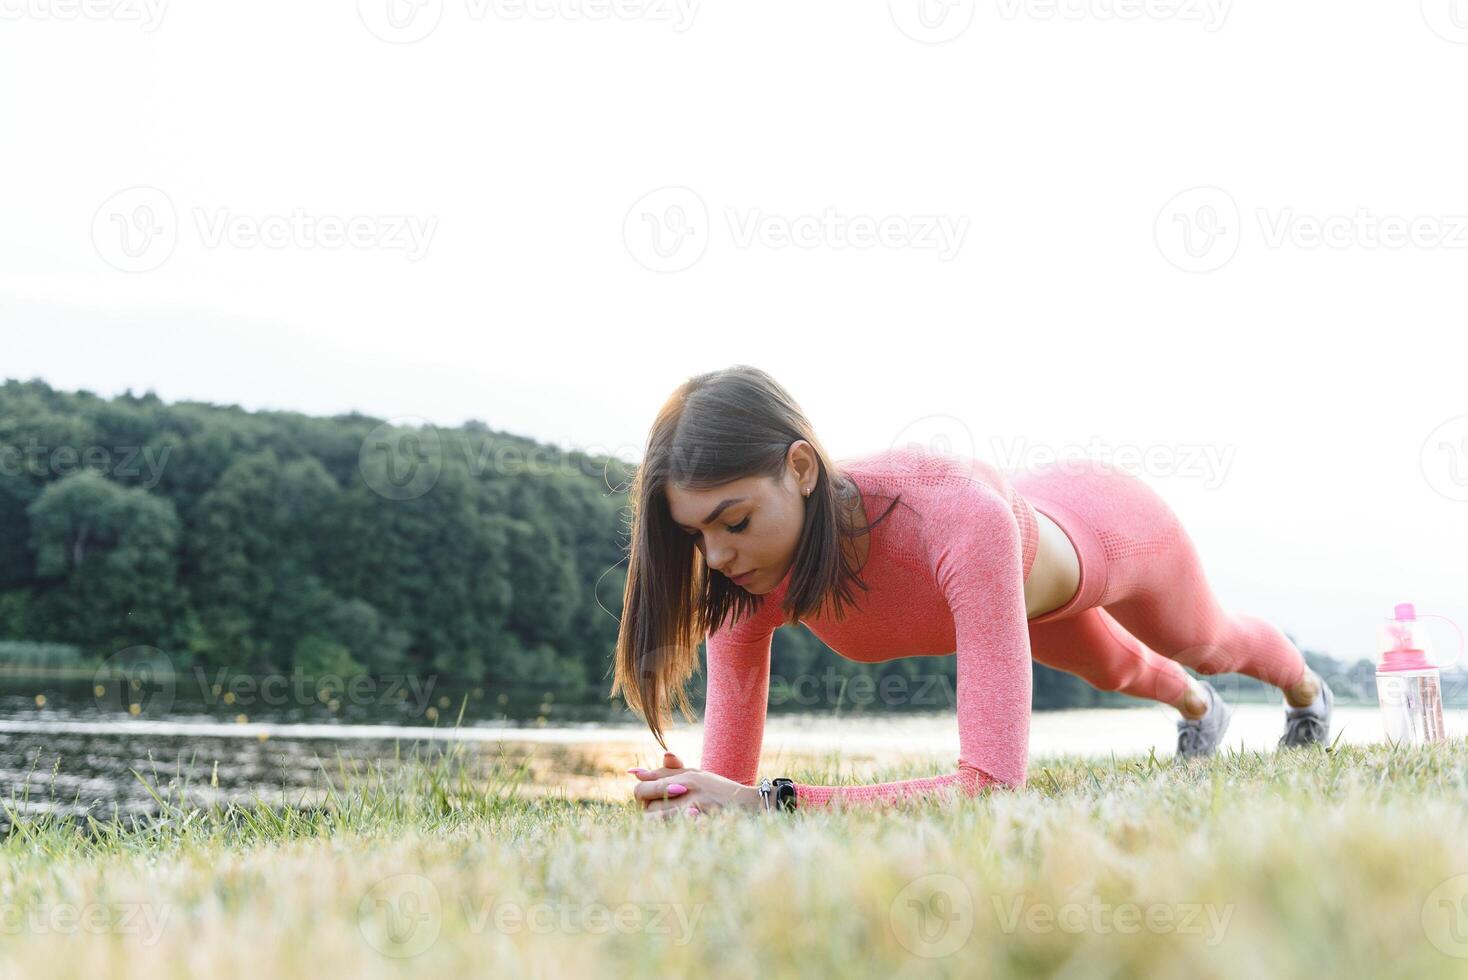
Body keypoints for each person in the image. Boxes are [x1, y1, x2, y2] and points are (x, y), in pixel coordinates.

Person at [611, 365, 1333, 820]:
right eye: (696, 535)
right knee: (1113, 669)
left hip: (1105, 524)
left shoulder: (953, 519)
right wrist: (695, 796)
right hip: (1010, 596)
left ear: (801, 468)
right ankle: (1200, 710)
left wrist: (772, 801)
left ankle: (1306, 694)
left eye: (733, 521)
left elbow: (990, 788)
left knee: (1204, 642)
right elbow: (726, 788)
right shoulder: (743, 582)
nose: (718, 554)